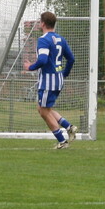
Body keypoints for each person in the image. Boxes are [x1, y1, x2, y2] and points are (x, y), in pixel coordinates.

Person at [27, 11, 76, 149]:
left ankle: (62, 141)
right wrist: (64, 74)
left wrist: (30, 67)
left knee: (43, 111)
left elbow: (42, 60)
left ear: (42, 23)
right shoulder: (61, 39)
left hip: (48, 80)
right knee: (44, 108)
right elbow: (71, 59)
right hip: (58, 79)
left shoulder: (44, 40)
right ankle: (69, 127)